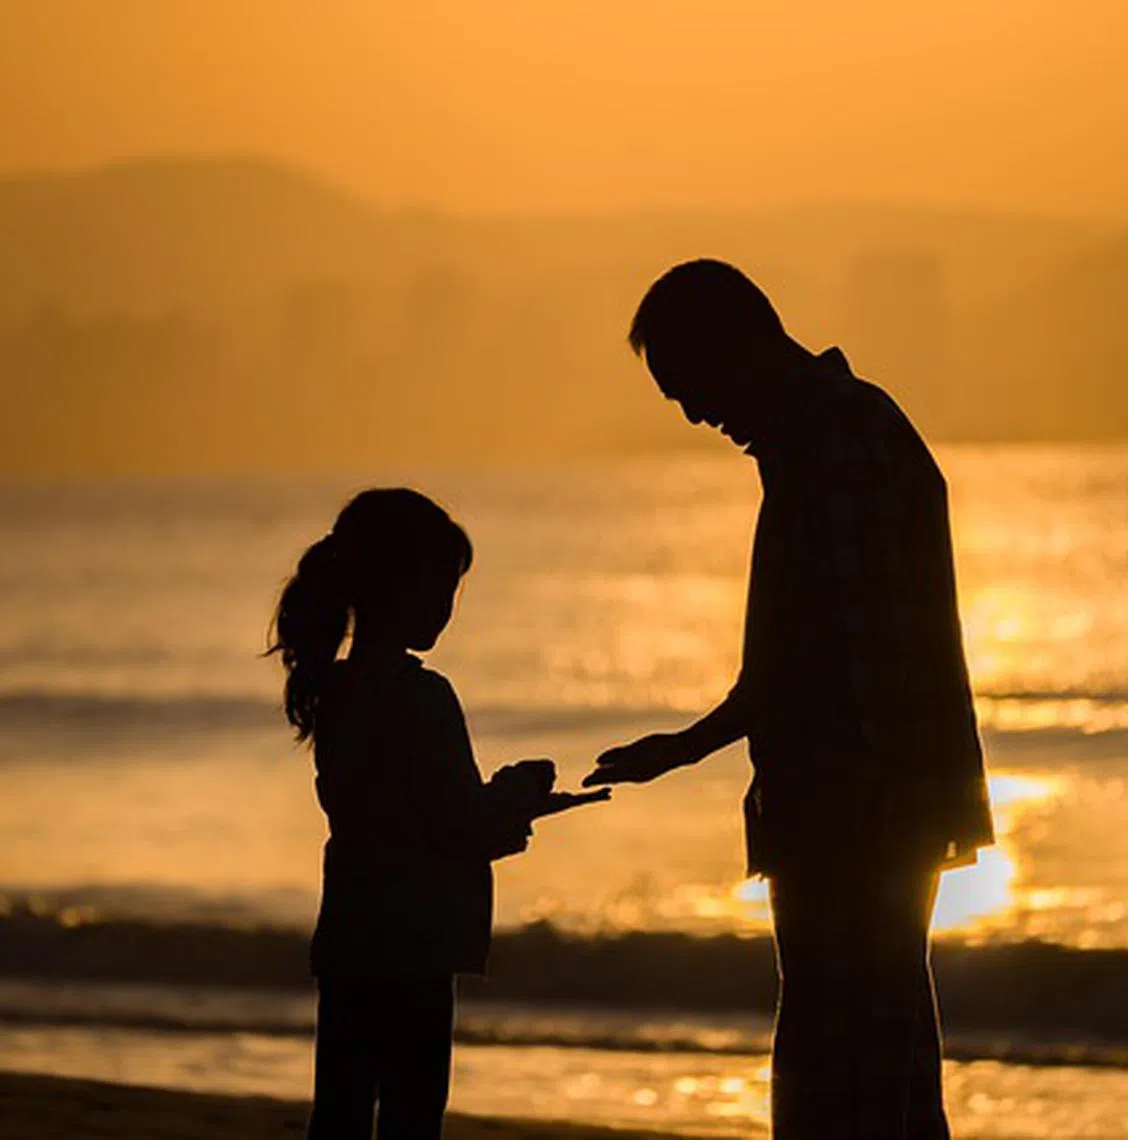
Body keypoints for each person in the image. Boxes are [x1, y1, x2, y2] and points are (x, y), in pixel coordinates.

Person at [585, 260, 994, 1139]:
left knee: (842, 1061)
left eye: (691, 387)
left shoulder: (832, 443)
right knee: (878, 1051)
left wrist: (693, 746)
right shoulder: (838, 431)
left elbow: (840, 652)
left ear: (735, 347)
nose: (697, 415)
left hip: (854, 809)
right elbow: (817, 648)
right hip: (865, 806)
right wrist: (691, 745)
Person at [270, 487, 608, 1140]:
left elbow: (404, 809)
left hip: (351, 935)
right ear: (401, 584)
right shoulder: (422, 696)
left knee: (339, 1111)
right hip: (416, 942)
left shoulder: (334, 690)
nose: (448, 606)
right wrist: (520, 795)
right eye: (443, 586)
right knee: (412, 1114)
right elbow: (460, 824)